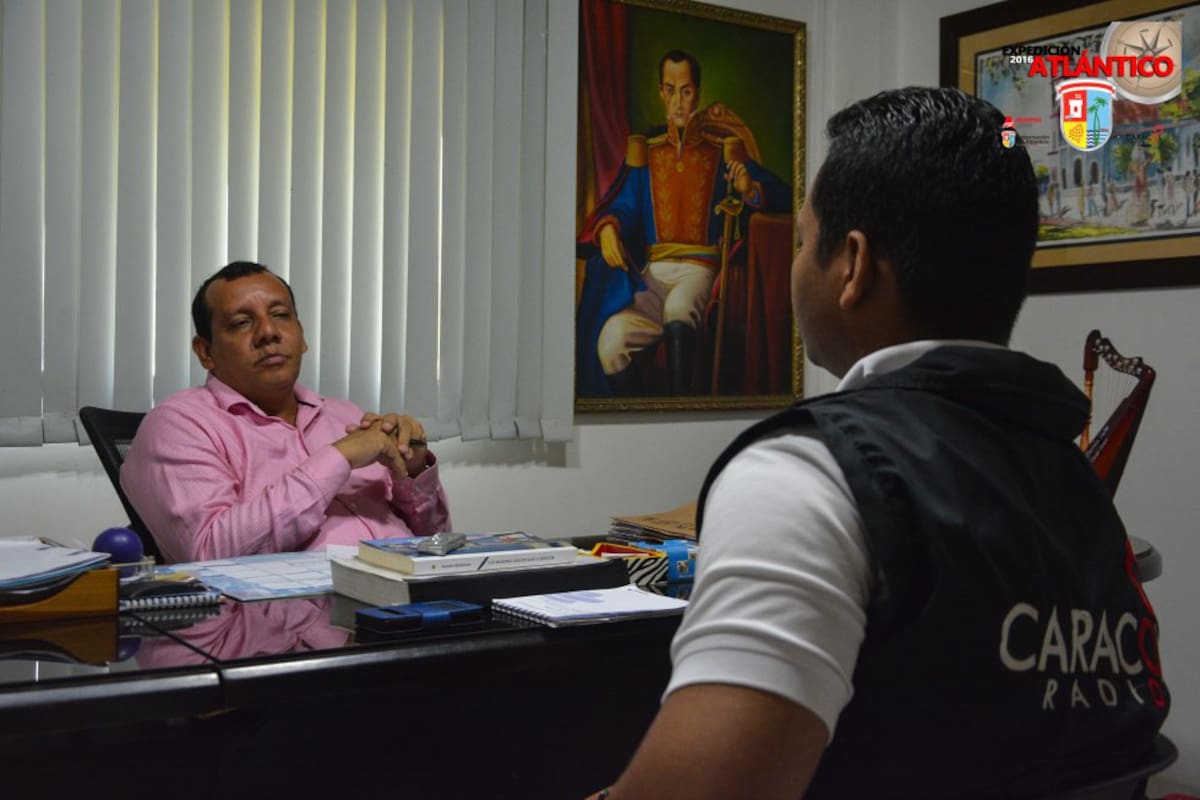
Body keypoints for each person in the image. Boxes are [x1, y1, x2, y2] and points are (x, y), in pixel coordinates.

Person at [591, 87, 1168, 799]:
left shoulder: (804, 474)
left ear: (853, 266)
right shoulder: (1075, 482)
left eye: (803, 241)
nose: (796, 264)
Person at [121, 261, 451, 563]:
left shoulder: (346, 416)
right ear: (205, 351)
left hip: (415, 595)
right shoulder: (178, 425)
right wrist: (339, 458)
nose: (268, 332)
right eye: (241, 322)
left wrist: (412, 469)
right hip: (308, 605)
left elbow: (437, 540)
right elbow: (209, 552)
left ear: (301, 335)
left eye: (280, 315)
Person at [576, 49, 790, 397]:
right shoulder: (646, 153)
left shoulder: (721, 151)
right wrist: (608, 227)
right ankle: (645, 417)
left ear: (697, 94)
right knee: (610, 341)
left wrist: (748, 189)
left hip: (699, 271)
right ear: (661, 92)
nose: (678, 101)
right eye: (670, 90)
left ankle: (682, 403)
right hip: (653, 277)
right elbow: (624, 205)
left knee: (678, 309)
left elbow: (784, 193)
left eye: (686, 91)